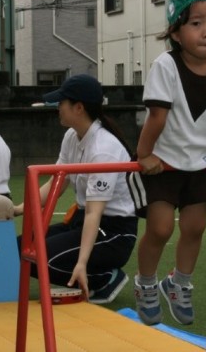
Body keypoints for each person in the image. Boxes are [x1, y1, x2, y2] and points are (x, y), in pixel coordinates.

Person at [128, 0, 206, 326]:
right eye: (196, 23)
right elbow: (157, 115)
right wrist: (143, 154)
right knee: (161, 228)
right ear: (176, 32)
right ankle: (146, 284)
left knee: (194, 228)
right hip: (163, 164)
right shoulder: (165, 65)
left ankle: (179, 283)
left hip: (203, 163)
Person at [14, 74, 138, 304]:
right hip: (81, 220)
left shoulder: (103, 149)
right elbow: (56, 184)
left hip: (113, 232)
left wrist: (81, 263)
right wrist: (18, 209)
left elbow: (94, 212)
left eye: (61, 102)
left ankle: (104, 278)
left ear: (78, 108)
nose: (57, 107)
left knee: (41, 258)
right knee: (19, 249)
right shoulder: (72, 136)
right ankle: (92, 272)